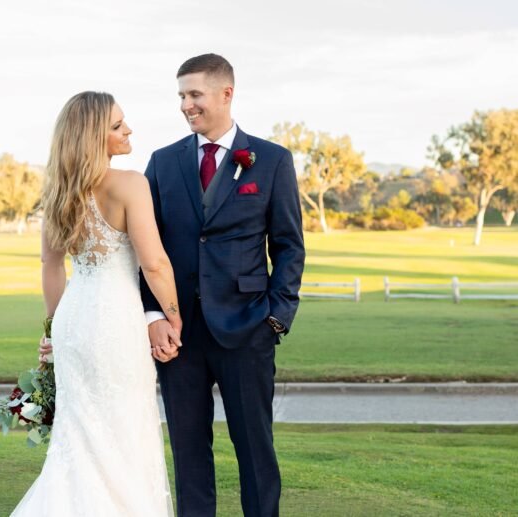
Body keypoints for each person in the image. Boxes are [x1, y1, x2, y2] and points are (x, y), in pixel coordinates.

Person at [141, 54, 305, 517]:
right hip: (179, 335)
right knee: (189, 455)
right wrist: (154, 315)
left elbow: (289, 246)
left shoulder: (271, 160)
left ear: (225, 93)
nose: (185, 106)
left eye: (194, 95)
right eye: (181, 96)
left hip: (249, 329)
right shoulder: (163, 162)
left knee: (256, 451)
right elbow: (145, 247)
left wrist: (276, 316)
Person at [13, 91, 180, 516]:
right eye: (117, 125)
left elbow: (51, 268)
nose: (128, 130)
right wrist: (175, 319)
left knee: (80, 431)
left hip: (75, 321)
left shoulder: (57, 191)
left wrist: (53, 329)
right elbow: (155, 263)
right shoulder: (129, 184)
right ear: (93, 136)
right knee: (125, 429)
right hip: (116, 322)